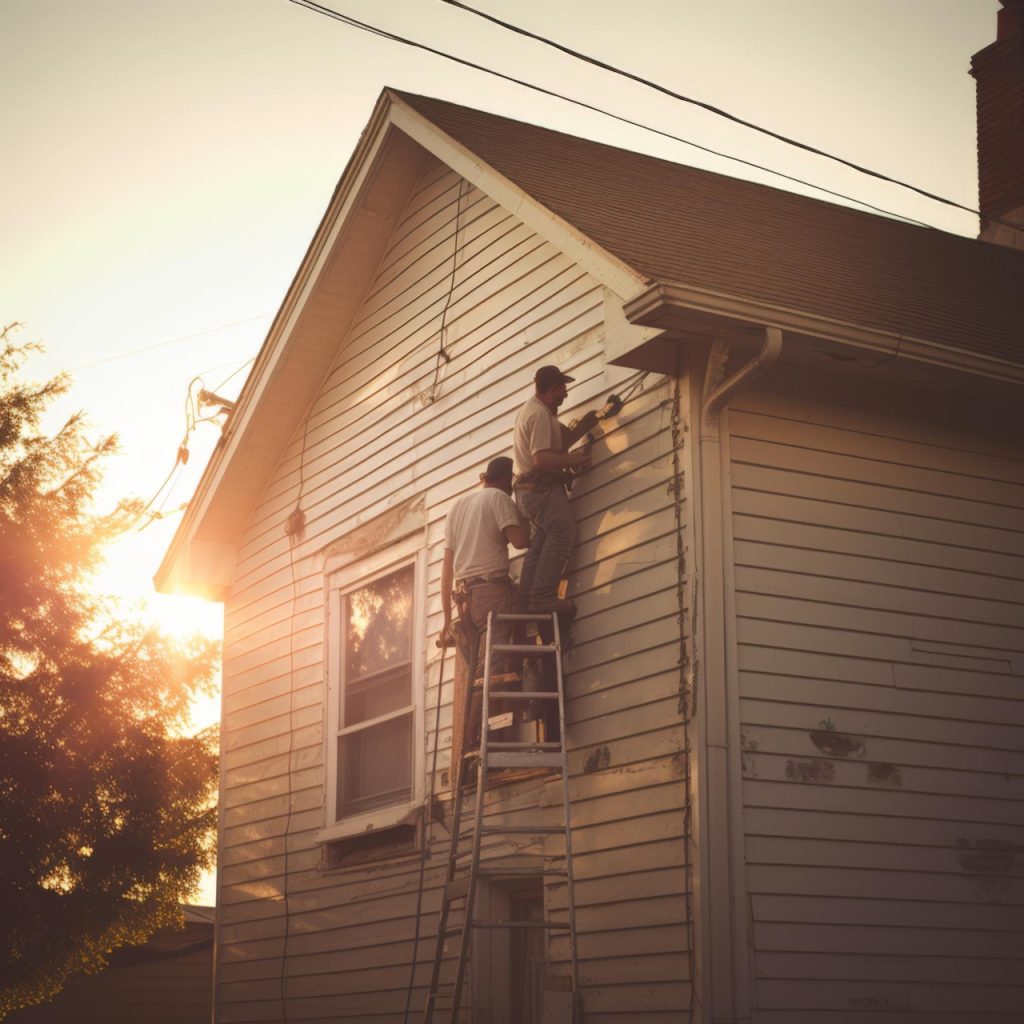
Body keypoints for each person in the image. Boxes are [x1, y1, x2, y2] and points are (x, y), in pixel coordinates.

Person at [513, 365, 600, 616]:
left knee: (540, 543)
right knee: (563, 531)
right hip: (539, 489)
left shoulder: (537, 412)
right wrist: (572, 461)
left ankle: (524, 604)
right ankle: (540, 598)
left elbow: (560, 442)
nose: (565, 395)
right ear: (553, 389)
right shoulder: (539, 414)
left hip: (529, 492)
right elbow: (541, 459)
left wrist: (588, 423)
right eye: (562, 389)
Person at [441, 456, 530, 676]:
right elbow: (520, 541)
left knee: (478, 672)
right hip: (490, 594)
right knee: (495, 669)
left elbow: (446, 569)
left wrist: (445, 619)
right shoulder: (499, 498)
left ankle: (482, 706)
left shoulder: (457, 508)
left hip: (464, 600)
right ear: (508, 479)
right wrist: (526, 511)